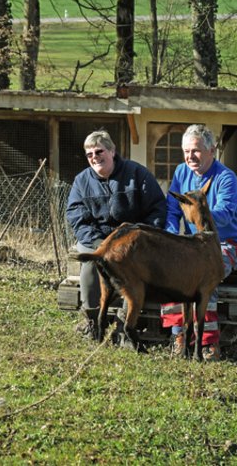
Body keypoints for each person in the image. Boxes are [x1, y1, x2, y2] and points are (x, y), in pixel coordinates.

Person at [66, 129, 167, 338]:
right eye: (89, 154)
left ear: (112, 151)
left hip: (133, 240)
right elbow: (76, 216)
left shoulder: (138, 174)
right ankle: (92, 321)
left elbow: (157, 208)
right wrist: (97, 243)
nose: (95, 157)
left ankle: (125, 322)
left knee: (136, 269)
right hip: (97, 240)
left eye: (99, 151)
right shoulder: (81, 181)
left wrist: (139, 238)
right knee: (91, 265)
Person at [162, 123, 237, 360]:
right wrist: (171, 234)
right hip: (192, 244)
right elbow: (172, 209)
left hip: (226, 243)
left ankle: (209, 344)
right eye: (187, 151)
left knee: (203, 277)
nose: (191, 156)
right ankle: (179, 335)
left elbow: (224, 214)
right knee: (171, 271)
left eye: (197, 151)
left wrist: (200, 213)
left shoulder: (226, 178)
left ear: (212, 150)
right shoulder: (181, 172)